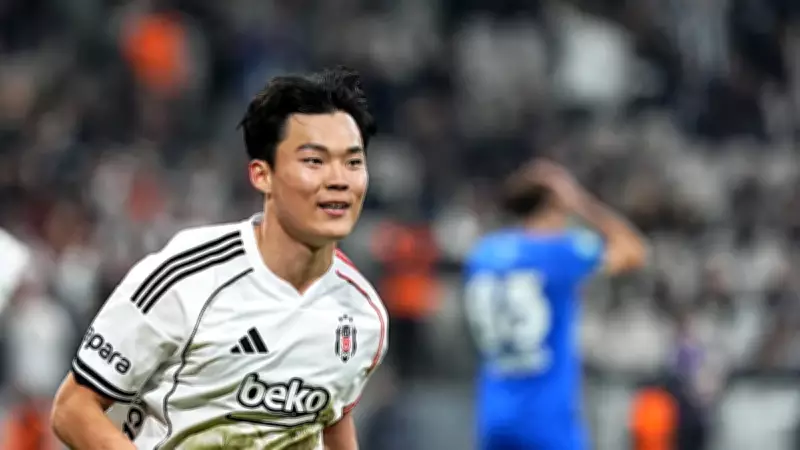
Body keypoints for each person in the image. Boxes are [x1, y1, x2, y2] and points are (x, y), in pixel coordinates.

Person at [51, 67, 389, 450]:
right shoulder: (186, 276)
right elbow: (73, 408)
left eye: (353, 162)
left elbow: (332, 420)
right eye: (314, 161)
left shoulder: (364, 315)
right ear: (262, 175)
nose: (339, 180)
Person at [464, 159, 647, 450]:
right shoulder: (560, 252)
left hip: (494, 413)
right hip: (545, 416)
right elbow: (633, 249)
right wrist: (581, 201)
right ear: (555, 206)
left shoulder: (484, 254)